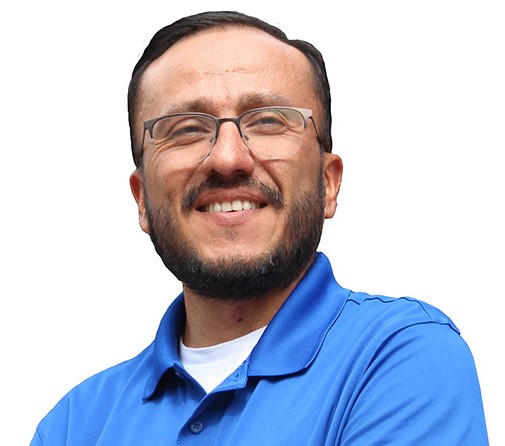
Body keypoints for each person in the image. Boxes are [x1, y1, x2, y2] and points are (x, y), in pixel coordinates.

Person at [30, 10, 488, 445]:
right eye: (186, 128)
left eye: (269, 121)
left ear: (328, 184)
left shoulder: (403, 358)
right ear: (142, 200)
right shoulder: (73, 424)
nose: (228, 158)